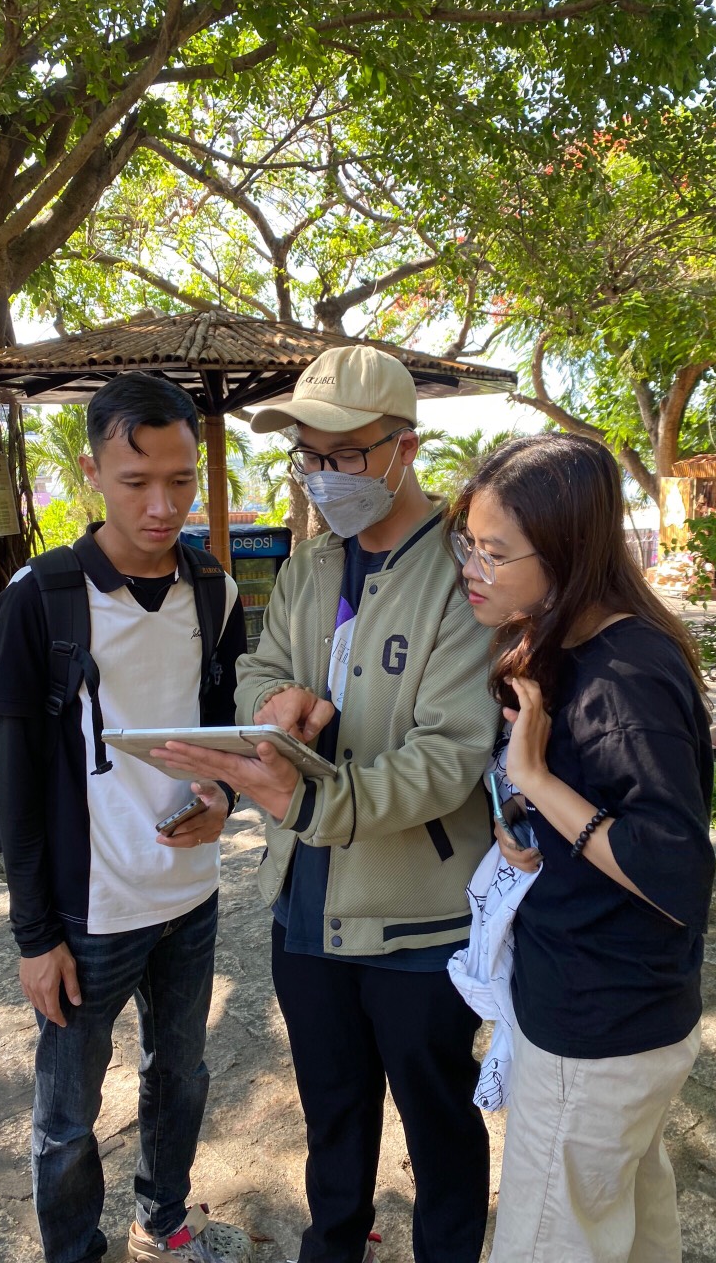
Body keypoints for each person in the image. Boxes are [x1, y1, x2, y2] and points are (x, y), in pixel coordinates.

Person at [152, 344, 500, 1263]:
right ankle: (334, 1246)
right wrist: (276, 710)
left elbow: (450, 758)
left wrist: (307, 799)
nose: (325, 475)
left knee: (441, 1129)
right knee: (332, 1118)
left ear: (404, 449)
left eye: (347, 456)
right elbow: (261, 666)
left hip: (420, 921)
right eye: (310, 454)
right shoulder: (310, 566)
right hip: (303, 907)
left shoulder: (463, 581)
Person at [0, 373, 252, 1263]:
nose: (162, 504)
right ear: (92, 470)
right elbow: (18, 784)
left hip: (190, 896)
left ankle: (162, 1217)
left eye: (181, 481)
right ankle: (73, 1250)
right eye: (136, 481)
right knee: (68, 1110)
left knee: (182, 1075)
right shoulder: (42, 599)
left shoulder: (212, 590)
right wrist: (34, 936)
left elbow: (229, 735)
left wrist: (226, 798)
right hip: (87, 913)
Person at [448, 433, 715, 1263]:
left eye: (495, 553)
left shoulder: (621, 677)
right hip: (622, 1019)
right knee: (626, 1235)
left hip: (597, 1026)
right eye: (468, 543)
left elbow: (673, 868)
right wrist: (533, 821)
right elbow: (600, 808)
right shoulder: (580, 647)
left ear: (567, 553)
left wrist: (535, 775)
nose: (473, 569)